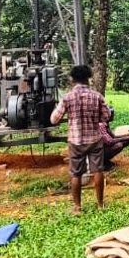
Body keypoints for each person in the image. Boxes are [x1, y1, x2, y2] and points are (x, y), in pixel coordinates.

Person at [50, 64, 108, 214]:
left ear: (73, 79)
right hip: (94, 139)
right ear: (88, 79)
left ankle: (77, 207)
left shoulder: (67, 97)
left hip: (76, 140)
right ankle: (100, 204)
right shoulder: (97, 96)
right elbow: (106, 116)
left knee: (76, 174)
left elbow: (54, 119)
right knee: (98, 171)